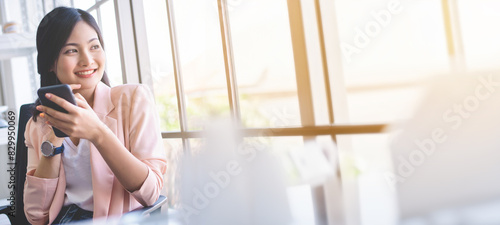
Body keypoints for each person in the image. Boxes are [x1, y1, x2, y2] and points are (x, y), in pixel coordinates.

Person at [23, 7, 167, 224]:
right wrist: (54, 137)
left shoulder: (134, 99)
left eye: (94, 46)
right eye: (72, 50)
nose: (87, 60)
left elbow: (150, 192)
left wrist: (98, 133)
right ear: (51, 62)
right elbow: (36, 216)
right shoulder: (37, 125)